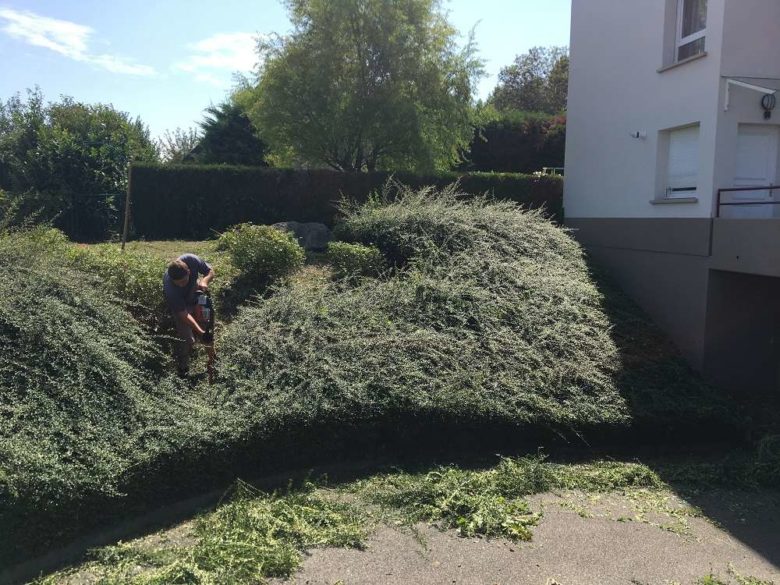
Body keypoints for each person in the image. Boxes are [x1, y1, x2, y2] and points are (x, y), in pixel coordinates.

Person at [163, 254, 215, 377]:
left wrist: (204, 281)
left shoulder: (192, 260)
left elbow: (210, 271)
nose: (181, 285)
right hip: (181, 308)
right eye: (178, 283)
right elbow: (183, 315)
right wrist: (199, 331)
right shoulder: (170, 288)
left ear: (189, 272)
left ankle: (213, 361)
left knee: (207, 331)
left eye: (183, 281)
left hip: (195, 297)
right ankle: (183, 370)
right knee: (187, 340)